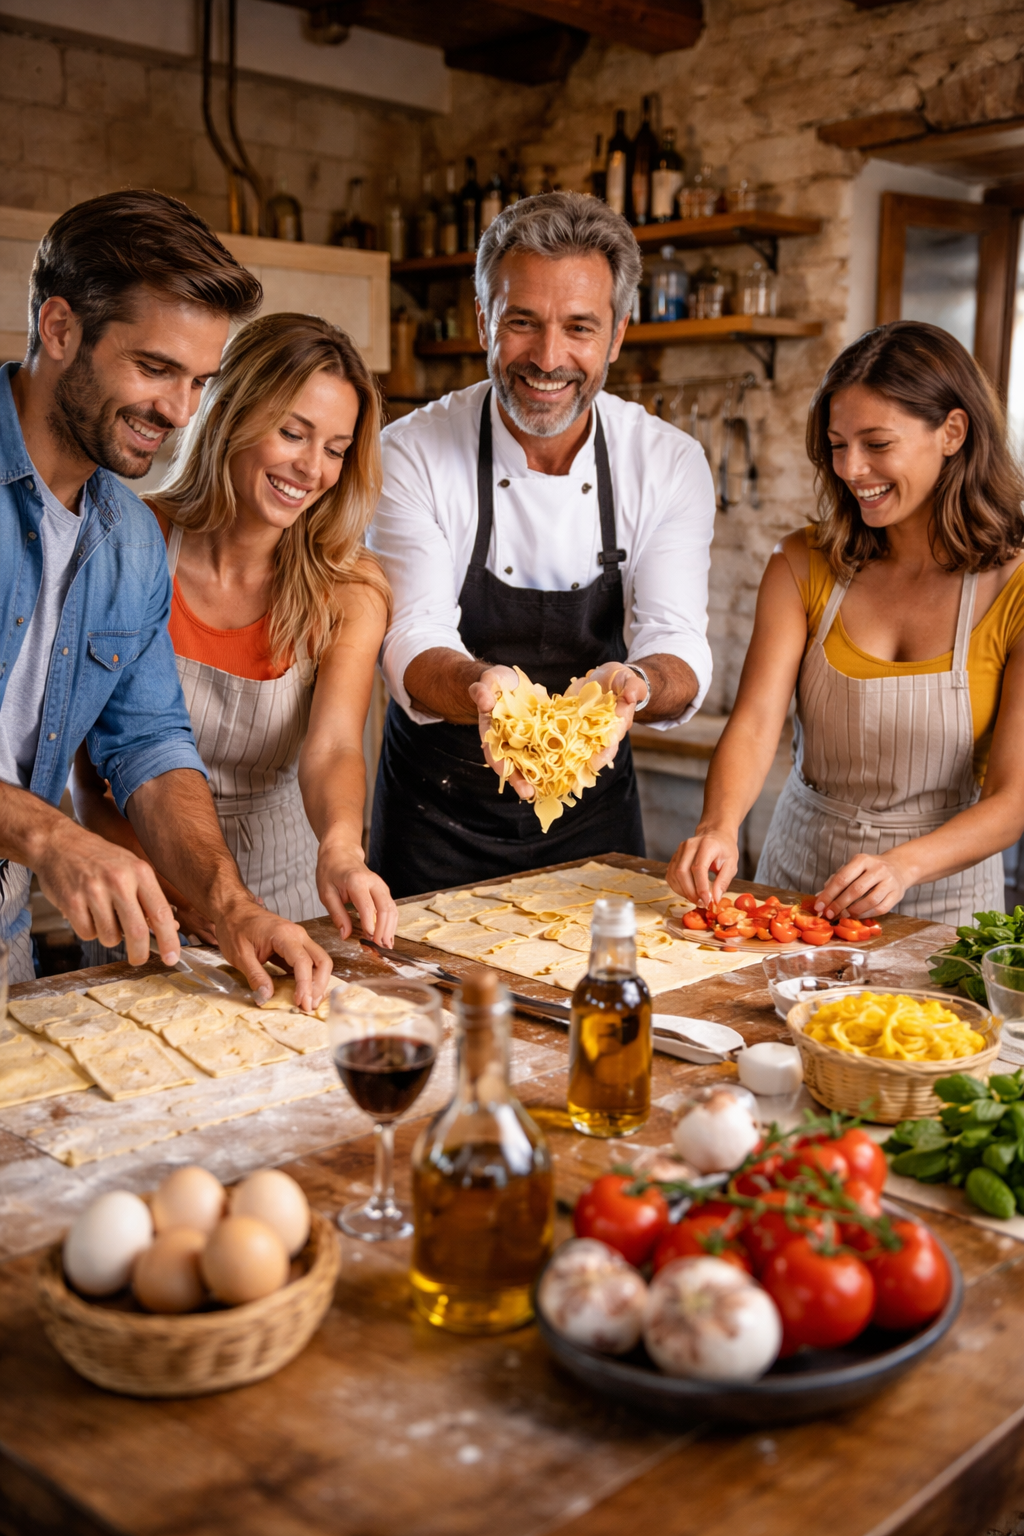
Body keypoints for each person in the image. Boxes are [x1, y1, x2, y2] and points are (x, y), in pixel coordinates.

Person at [0, 190, 333, 1008]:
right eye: (154, 369)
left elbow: (148, 744)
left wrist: (230, 908)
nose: (179, 412)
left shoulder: (131, 538)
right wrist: (51, 835)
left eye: (199, 382)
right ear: (60, 328)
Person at [368, 191, 716, 896]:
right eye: (522, 322)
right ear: (483, 321)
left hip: (594, 822)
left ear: (617, 334)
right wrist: (481, 690)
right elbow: (412, 633)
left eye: (580, 328)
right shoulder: (410, 452)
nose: (549, 358)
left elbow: (678, 640)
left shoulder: (667, 462)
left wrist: (635, 685)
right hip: (432, 820)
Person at [668, 321, 1024, 923]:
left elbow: (1014, 797)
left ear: (953, 432)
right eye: (837, 444)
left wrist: (904, 866)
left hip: (945, 901)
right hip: (796, 881)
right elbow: (755, 726)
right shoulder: (801, 564)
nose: (852, 468)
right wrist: (718, 826)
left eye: (877, 443)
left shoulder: (1014, 587)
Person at [72, 313, 397, 947]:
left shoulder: (349, 587)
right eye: (292, 433)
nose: (311, 469)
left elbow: (331, 748)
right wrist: (188, 903)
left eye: (334, 450)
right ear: (232, 415)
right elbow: (89, 782)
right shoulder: (125, 543)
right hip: (142, 897)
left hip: (291, 895)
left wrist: (341, 849)